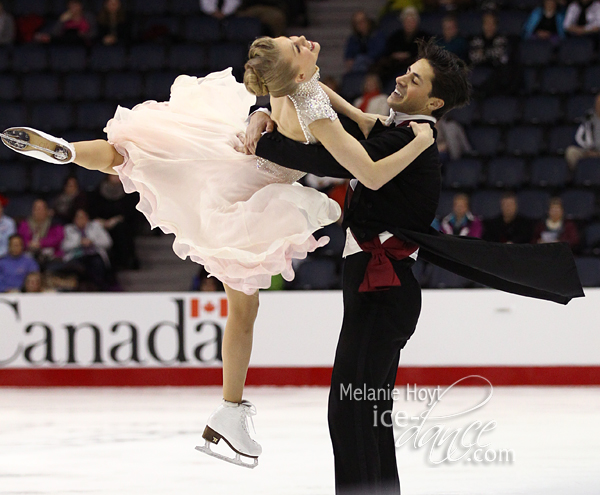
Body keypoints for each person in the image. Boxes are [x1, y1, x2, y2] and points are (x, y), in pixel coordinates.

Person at [1, 34, 435, 469]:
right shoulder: (313, 109)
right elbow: (368, 172)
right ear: (299, 71)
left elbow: (310, 89)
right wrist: (419, 143)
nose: (302, 38)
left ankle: (69, 151)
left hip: (229, 158)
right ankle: (229, 410)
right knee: (242, 310)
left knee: (132, 155)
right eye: (296, 45)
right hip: (251, 190)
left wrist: (323, 113)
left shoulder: (297, 85)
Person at [246, 38, 582, 494]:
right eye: (407, 70)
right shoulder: (400, 131)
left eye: (416, 78)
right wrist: (265, 113)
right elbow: (349, 122)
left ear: (435, 101)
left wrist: (268, 137)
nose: (402, 77)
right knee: (366, 414)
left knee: (350, 412)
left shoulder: (407, 138)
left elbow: (332, 155)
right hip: (380, 289)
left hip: (382, 291)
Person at [60, 208, 113, 291]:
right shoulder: (68, 229)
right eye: (78, 217)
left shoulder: (96, 226)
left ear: (87, 218)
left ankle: (98, 289)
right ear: (74, 219)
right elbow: (64, 246)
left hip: (93, 255)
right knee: (76, 267)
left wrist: (92, 241)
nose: (81, 220)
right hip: (76, 256)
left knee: (96, 263)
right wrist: (79, 242)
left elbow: (107, 242)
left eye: (83, 217)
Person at [17, 199, 64, 269]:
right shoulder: (24, 224)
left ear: (46, 210)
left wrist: (41, 243)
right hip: (29, 256)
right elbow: (20, 239)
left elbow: (58, 239)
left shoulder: (55, 224)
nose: (38, 211)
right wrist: (28, 244)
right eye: (36, 209)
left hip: (51, 257)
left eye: (41, 209)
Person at [565, 93, 600, 170]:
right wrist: (589, 150)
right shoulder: (588, 117)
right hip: (589, 150)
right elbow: (579, 137)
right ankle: (578, 175)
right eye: (597, 103)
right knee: (571, 151)